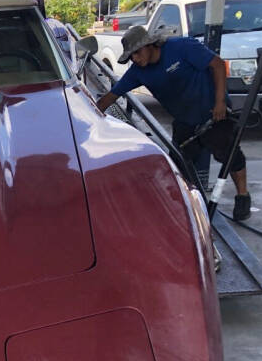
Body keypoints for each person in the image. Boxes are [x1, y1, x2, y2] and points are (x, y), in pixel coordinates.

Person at [96, 26, 252, 220]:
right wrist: (89, 117)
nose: (135, 58)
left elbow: (218, 65)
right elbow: (110, 97)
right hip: (184, 120)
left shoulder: (182, 47)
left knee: (229, 155)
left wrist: (220, 101)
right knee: (178, 165)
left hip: (213, 113)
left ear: (150, 44)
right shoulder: (138, 72)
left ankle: (243, 196)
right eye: (131, 56)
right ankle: (186, 207)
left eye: (137, 52)